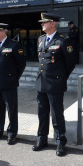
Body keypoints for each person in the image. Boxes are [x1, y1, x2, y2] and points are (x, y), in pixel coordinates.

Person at [32, 13, 76, 156]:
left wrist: (60, 79)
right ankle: (42, 139)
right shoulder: (40, 39)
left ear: (52, 23)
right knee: (42, 114)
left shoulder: (62, 41)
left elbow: (70, 64)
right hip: (41, 84)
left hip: (55, 84)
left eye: (44, 22)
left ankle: (60, 142)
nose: (42, 24)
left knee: (57, 115)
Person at [0, 23, 26, 145]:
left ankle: (11, 133)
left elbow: (21, 64)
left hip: (9, 83)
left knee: (11, 109)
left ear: (3, 31)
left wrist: (15, 78)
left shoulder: (13, 45)